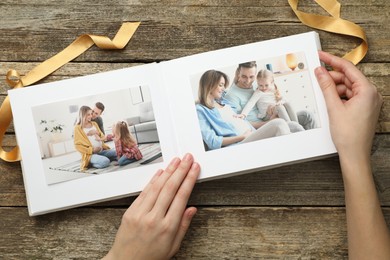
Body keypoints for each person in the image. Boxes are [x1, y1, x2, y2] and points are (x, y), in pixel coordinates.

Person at [104, 51, 390, 259]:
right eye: (219, 86)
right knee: (282, 125)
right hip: (238, 145)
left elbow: (245, 122)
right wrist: (249, 134)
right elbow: (215, 141)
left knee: (287, 122)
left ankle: (313, 142)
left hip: (250, 133)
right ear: (209, 86)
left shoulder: (224, 105)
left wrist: (260, 124)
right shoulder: (201, 110)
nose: (223, 90)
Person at [195, 69, 290, 150]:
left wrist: (238, 76)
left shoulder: (223, 101)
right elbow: (212, 141)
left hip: (254, 134)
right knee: (279, 123)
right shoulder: (201, 110)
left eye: (224, 85)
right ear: (209, 86)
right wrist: (242, 137)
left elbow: (232, 87)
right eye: (221, 85)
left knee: (292, 125)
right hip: (240, 143)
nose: (223, 88)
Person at [224, 61, 317, 131]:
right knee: (295, 127)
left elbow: (274, 95)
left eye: (251, 77)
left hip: (278, 115)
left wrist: (276, 103)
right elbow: (239, 123)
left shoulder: (259, 85)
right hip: (263, 125)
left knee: (307, 115)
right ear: (238, 74)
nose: (248, 81)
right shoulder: (231, 96)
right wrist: (270, 121)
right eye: (244, 76)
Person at [239, 69, 304, 132]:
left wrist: (279, 102)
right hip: (267, 115)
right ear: (257, 83)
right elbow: (251, 103)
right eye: (260, 85)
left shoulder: (273, 89)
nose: (263, 88)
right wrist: (243, 114)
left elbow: (283, 99)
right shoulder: (258, 92)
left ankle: (297, 126)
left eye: (266, 85)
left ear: (272, 82)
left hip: (277, 110)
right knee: (279, 107)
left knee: (288, 103)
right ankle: (291, 129)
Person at [74, 106, 117, 171]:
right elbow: (77, 146)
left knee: (117, 152)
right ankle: (90, 163)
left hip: (102, 151)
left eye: (91, 114)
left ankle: (100, 159)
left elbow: (102, 137)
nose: (91, 116)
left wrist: (96, 132)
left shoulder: (94, 124)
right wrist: (92, 150)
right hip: (90, 154)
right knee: (105, 162)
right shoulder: (78, 128)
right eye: (88, 114)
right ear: (82, 115)